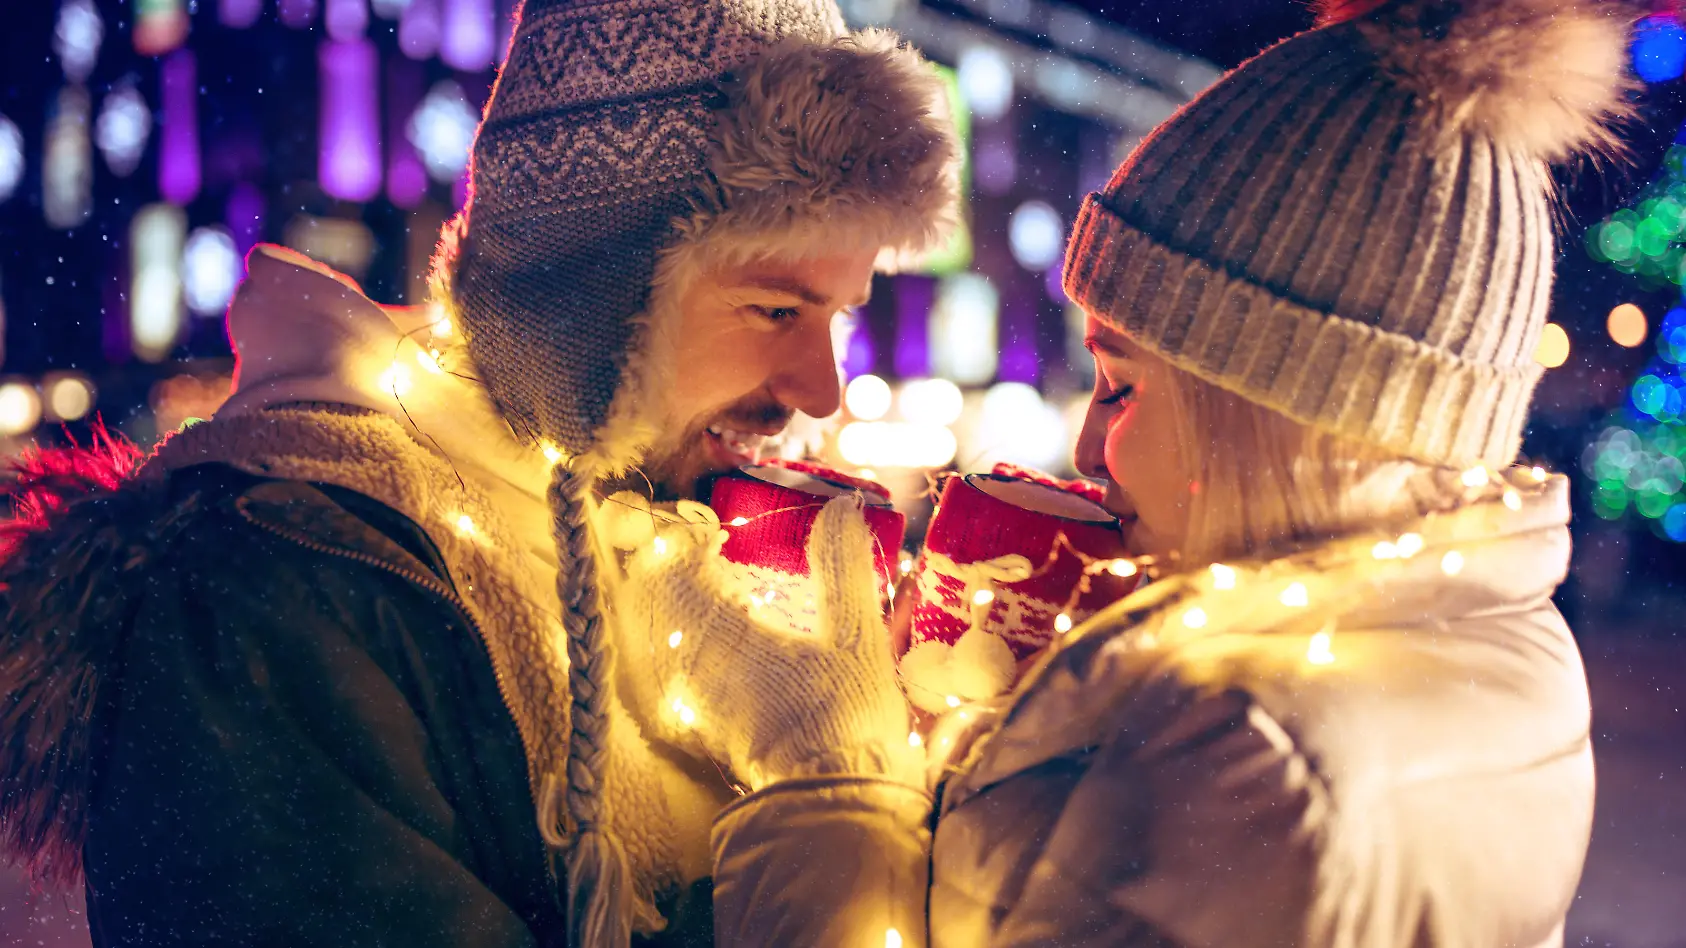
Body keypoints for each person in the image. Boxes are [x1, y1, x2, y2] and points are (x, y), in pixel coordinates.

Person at [0, 1, 959, 945]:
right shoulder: (282, 581)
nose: (822, 393)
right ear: (594, 290)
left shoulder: (679, 537)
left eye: (837, 316)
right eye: (775, 312)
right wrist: (832, 794)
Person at [920, 0, 1630, 944]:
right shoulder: (1500, 648)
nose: (1087, 449)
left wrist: (824, 781)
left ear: (1274, 411)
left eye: (1123, 386)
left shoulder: (1245, 758)